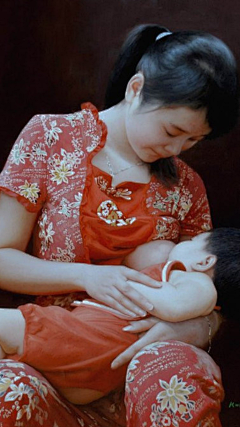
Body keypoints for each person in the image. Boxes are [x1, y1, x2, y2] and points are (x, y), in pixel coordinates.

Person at [0, 23, 238, 427]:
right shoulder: (50, 137)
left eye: (193, 141)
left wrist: (201, 326)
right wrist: (87, 277)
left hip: (139, 365)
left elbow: (218, 278)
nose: (176, 150)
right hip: (47, 358)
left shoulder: (187, 188)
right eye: (173, 131)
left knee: (175, 373)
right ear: (136, 88)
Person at [1, 228, 239, 407]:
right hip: (92, 369)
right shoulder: (187, 282)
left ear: (205, 261)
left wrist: (121, 281)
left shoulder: (197, 282)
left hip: (87, 340)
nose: (184, 242)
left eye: (194, 241)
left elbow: (176, 307)